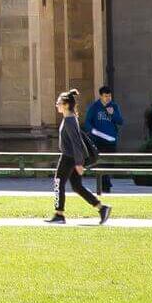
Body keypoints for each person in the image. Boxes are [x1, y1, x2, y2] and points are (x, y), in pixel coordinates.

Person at [47, 89, 110, 225]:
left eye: (58, 102)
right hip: (72, 157)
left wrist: (79, 163)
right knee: (77, 186)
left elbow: (77, 142)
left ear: (65, 104)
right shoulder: (69, 118)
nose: (56, 104)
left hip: (69, 157)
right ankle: (102, 208)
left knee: (58, 183)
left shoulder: (69, 120)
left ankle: (59, 214)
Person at [85, 85, 123, 193]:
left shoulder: (114, 106)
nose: (108, 98)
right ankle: (105, 184)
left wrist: (112, 114)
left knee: (110, 163)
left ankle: (106, 181)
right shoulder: (94, 107)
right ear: (101, 96)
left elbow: (120, 121)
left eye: (110, 96)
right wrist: (92, 131)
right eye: (106, 96)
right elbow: (87, 121)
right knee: (101, 162)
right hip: (98, 140)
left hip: (111, 140)